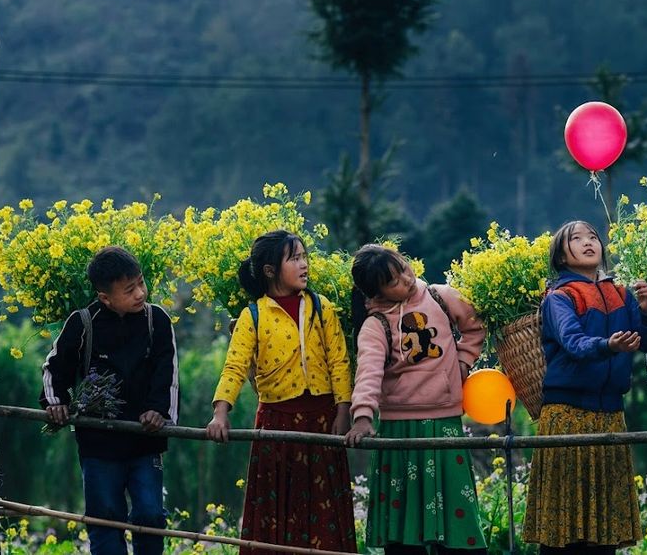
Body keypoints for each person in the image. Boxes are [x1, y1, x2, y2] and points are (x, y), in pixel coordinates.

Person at [206, 230, 357, 553]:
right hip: (275, 423)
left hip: (322, 420)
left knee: (324, 509)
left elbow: (339, 362)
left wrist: (344, 411)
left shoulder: (321, 307)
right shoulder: (253, 315)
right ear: (270, 271)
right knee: (276, 508)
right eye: (295, 258)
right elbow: (234, 366)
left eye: (304, 257)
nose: (304, 265)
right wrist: (221, 414)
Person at [523, 220, 647, 555]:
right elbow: (574, 343)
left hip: (610, 414)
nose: (588, 242)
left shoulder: (622, 294)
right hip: (566, 415)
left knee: (605, 526)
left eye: (593, 237)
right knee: (562, 524)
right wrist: (609, 345)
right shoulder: (559, 297)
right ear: (561, 255)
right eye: (576, 239)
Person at [346, 244, 488, 554]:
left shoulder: (440, 296)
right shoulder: (376, 325)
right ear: (378, 292)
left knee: (458, 518)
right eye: (394, 281)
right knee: (404, 528)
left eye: (404, 268)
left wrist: (463, 362)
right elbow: (368, 372)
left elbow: (475, 326)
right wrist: (362, 417)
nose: (407, 279)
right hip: (401, 431)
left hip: (446, 423)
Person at [41, 245, 177, 555]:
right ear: (105, 297)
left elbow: (167, 372)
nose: (141, 293)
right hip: (98, 444)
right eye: (130, 290)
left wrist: (158, 411)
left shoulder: (158, 321)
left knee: (151, 515)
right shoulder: (83, 323)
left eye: (141, 283)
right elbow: (54, 367)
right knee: (104, 519)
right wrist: (55, 402)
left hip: (145, 441)